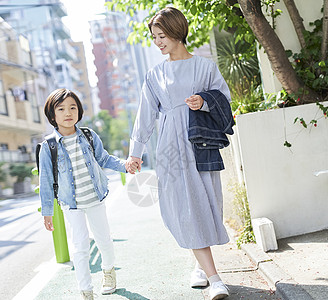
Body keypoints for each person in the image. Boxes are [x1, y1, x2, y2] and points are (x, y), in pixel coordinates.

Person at [127, 7, 232, 300]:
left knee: (206, 203)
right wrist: (135, 152)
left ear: (176, 32)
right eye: (154, 37)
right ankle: (215, 279)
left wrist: (204, 101)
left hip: (200, 145)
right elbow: (145, 115)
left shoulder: (204, 66)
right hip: (171, 148)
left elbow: (224, 98)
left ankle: (199, 267)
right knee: (184, 206)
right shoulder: (155, 74)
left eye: (162, 36)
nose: (158, 42)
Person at [39, 89, 137, 300]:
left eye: (72, 107)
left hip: (94, 197)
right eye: (61, 109)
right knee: (80, 246)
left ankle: (108, 271)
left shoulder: (88, 136)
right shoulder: (48, 146)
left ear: (79, 111)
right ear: (52, 115)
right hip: (71, 204)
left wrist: (125, 166)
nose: (68, 113)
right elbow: (45, 179)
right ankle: (86, 290)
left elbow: (104, 159)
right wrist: (46, 212)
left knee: (104, 241)